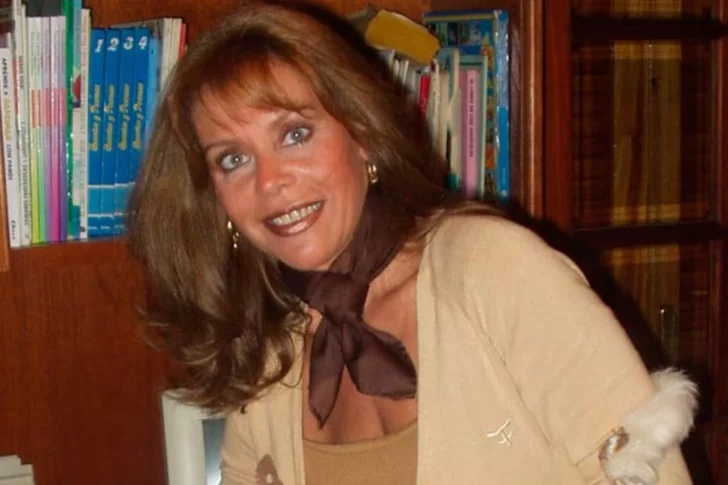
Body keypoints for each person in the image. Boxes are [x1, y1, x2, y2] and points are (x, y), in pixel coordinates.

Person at [127, 2, 698, 484]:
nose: (270, 181)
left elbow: (650, 471)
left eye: (295, 133)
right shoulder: (267, 359)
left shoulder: (491, 267)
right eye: (233, 159)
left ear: (363, 135)